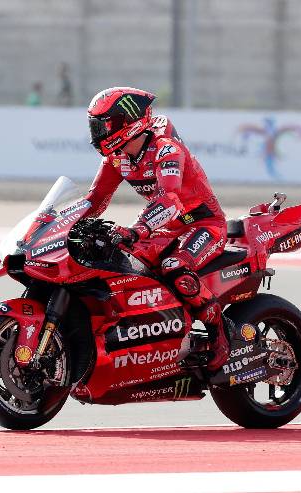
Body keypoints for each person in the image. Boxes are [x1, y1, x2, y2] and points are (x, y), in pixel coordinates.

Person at [84, 87, 230, 372]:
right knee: (118, 259)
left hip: (203, 224)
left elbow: (170, 201)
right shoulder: (118, 157)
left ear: (129, 122)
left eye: (105, 124)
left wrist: (137, 230)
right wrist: (60, 223)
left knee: (175, 266)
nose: (98, 132)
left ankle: (219, 331)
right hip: (164, 229)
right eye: (95, 124)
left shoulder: (166, 148)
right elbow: (95, 200)